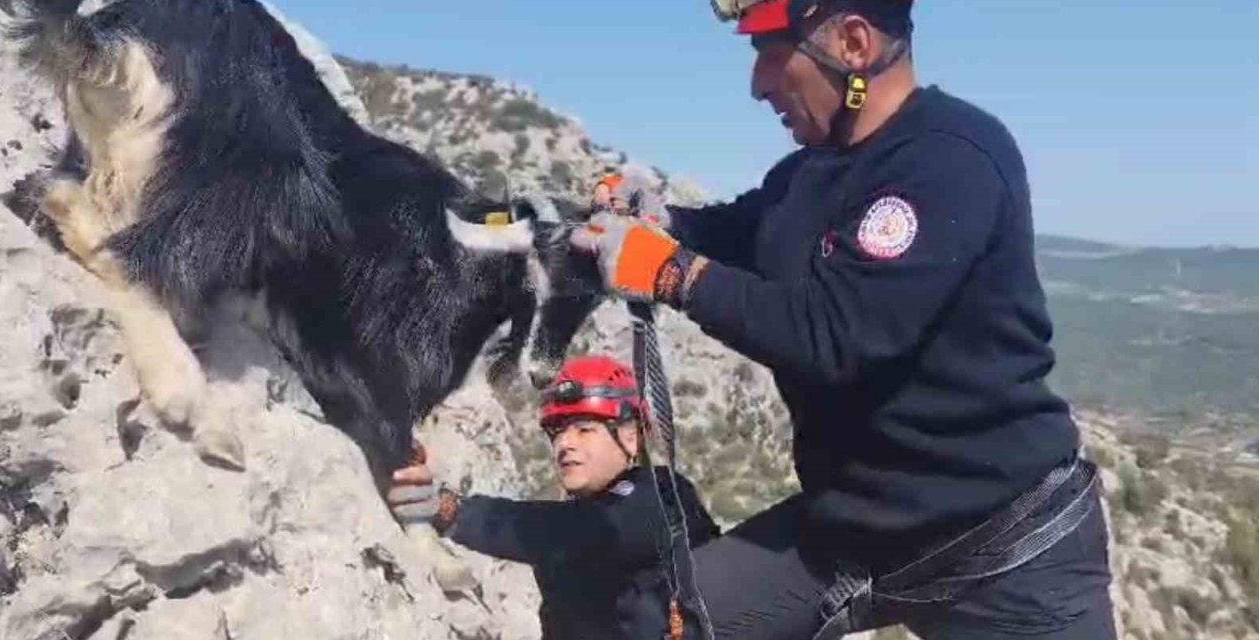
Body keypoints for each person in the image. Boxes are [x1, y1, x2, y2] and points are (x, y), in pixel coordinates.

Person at [567, 0, 1117, 638]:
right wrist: (660, 222)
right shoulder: (808, 173)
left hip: (1005, 548)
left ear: (854, 44)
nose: (758, 85)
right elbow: (734, 232)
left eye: (771, 54)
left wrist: (668, 272)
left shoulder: (949, 157)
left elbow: (835, 334)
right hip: (858, 531)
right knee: (657, 620)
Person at [389, 355, 720, 640]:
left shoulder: (663, 497)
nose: (565, 443)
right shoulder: (565, 536)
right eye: (557, 432)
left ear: (631, 438)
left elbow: (583, 530)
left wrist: (453, 510)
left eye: (584, 429)